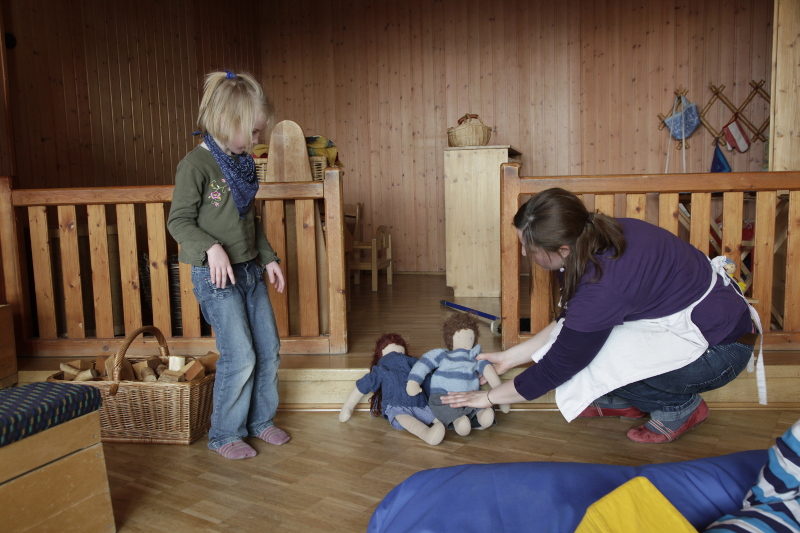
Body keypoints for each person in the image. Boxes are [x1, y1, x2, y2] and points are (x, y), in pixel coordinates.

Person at [441, 188, 761, 444]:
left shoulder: (603, 283)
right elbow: (572, 321)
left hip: (722, 350)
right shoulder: (596, 234)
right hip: (698, 325)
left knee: (591, 354)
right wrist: (510, 358)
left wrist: (488, 397)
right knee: (589, 342)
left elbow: (558, 366)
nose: (524, 253)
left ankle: (681, 409)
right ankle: (627, 400)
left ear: (562, 249)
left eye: (528, 246)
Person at [167, 70, 288, 460]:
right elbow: (179, 221)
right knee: (241, 354)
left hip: (251, 272)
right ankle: (224, 433)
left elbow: (251, 222)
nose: (257, 140)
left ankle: (260, 421)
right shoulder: (196, 166)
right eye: (253, 133)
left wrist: (268, 259)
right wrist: (212, 248)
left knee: (268, 349)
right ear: (227, 122)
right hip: (216, 277)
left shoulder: (243, 166)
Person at [339, 333, 446, 445]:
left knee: (418, 416)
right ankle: (429, 433)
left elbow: (363, 385)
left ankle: (449, 424)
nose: (396, 356)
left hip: (412, 403)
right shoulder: (388, 367)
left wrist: (348, 407)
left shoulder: (401, 365)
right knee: (411, 417)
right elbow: (427, 378)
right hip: (405, 404)